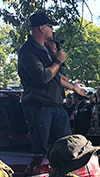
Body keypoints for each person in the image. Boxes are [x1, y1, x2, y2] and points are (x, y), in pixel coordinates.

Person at [17, 11, 86, 155]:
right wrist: (58, 61)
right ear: (41, 28)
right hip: (39, 107)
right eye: (50, 26)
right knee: (42, 150)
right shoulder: (28, 52)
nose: (53, 30)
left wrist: (74, 88)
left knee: (69, 146)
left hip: (56, 106)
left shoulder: (46, 49)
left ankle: (67, 175)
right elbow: (42, 77)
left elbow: (54, 76)